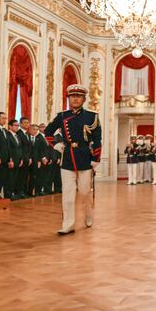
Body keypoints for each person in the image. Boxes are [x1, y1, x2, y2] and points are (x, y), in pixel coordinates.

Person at [44, 84, 102, 235]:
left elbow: (97, 139)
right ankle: (68, 224)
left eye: (78, 96)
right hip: (68, 157)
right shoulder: (62, 116)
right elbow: (48, 131)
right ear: (68, 98)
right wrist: (56, 145)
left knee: (84, 192)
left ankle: (88, 215)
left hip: (84, 157)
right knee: (68, 195)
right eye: (72, 96)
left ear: (84, 99)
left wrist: (95, 158)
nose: (75, 99)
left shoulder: (91, 116)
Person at [6, 119, 24, 200]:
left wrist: (21, 159)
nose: (17, 127)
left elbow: (20, 148)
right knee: (9, 178)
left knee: (15, 178)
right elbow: (8, 148)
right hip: (11, 160)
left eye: (18, 125)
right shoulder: (7, 135)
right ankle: (8, 194)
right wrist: (10, 160)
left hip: (18, 160)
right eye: (15, 125)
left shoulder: (17, 135)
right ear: (10, 126)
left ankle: (13, 193)